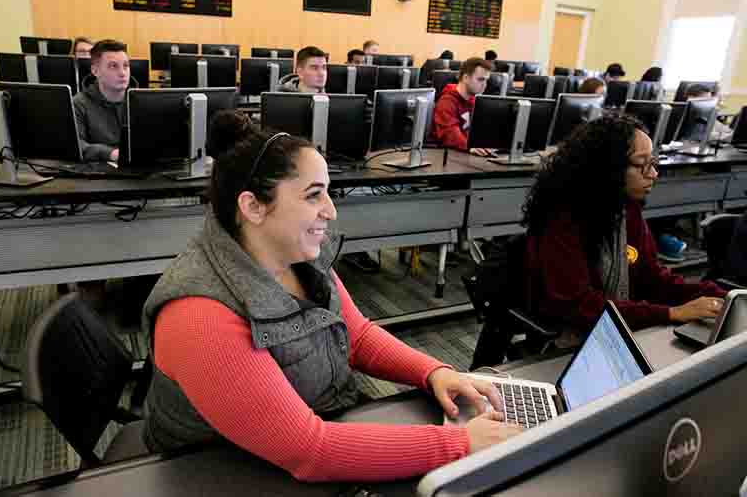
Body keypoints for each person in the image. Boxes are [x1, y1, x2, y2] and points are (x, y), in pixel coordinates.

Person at [140, 111, 521, 481]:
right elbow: (309, 450)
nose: (331, 211)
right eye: (313, 196)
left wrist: (434, 372)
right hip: (218, 469)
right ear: (253, 207)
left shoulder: (297, 254)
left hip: (311, 427)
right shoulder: (198, 315)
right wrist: (460, 443)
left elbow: (356, 335)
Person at [522, 113, 725, 344]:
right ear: (609, 167)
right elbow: (578, 306)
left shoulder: (625, 208)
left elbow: (653, 278)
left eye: (653, 163)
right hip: (569, 341)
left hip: (619, 325)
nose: (653, 174)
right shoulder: (561, 219)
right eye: (641, 165)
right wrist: (671, 313)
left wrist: (720, 296)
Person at [72, 39, 129, 162]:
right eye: (113, 66)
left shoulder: (140, 101)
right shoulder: (78, 103)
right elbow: (75, 144)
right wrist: (110, 153)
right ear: (95, 71)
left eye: (126, 66)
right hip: (97, 170)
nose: (122, 73)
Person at [432, 57, 492, 154]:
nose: (485, 85)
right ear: (466, 78)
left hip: (465, 151)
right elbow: (450, 133)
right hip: (447, 153)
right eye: (480, 79)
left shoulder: (474, 100)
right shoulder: (447, 102)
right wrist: (469, 146)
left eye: (486, 80)